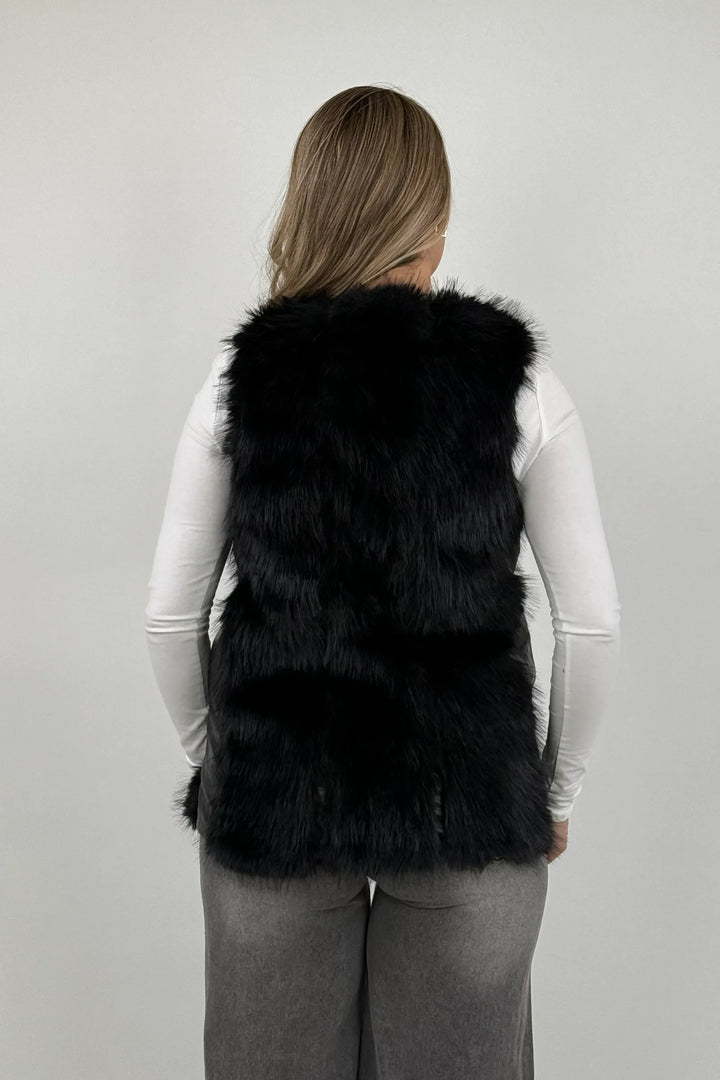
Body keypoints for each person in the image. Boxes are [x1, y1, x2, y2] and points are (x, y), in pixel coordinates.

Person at [144, 85, 621, 1080]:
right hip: (467, 803)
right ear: (434, 222)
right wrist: (555, 788)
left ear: (308, 209)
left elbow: (168, 618)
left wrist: (221, 761)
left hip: (279, 802)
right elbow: (591, 625)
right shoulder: (519, 385)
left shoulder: (239, 380)